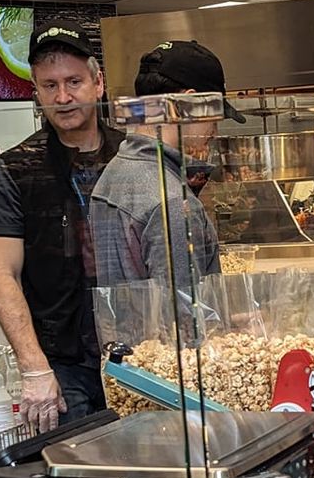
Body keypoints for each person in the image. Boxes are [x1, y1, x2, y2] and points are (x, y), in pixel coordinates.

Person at [0, 24, 125, 431]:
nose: (62, 97)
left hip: (140, 356)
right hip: (63, 367)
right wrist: (33, 368)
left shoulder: (134, 156)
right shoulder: (14, 169)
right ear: (36, 93)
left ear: (98, 83)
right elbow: (1, 275)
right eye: (50, 86)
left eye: (74, 82)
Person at [88, 41, 243, 296]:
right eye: (216, 114)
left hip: (126, 335)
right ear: (191, 102)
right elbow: (183, 321)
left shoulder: (113, 173)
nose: (215, 130)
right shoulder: (173, 202)